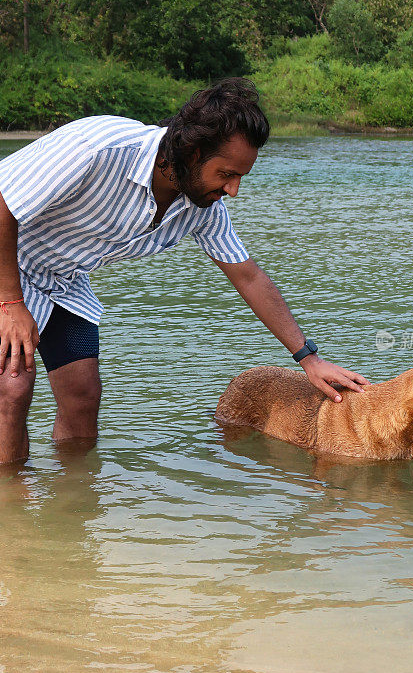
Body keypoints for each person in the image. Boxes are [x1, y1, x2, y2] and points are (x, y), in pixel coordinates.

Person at [0, 78, 369, 465]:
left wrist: (309, 359)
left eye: (240, 176)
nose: (233, 190)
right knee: (12, 388)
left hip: (61, 278)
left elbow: (248, 276)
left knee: (83, 395)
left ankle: (69, 507)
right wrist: (10, 303)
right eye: (227, 173)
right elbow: (3, 200)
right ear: (192, 152)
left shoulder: (201, 207)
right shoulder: (100, 147)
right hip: (8, 264)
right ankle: (12, 508)